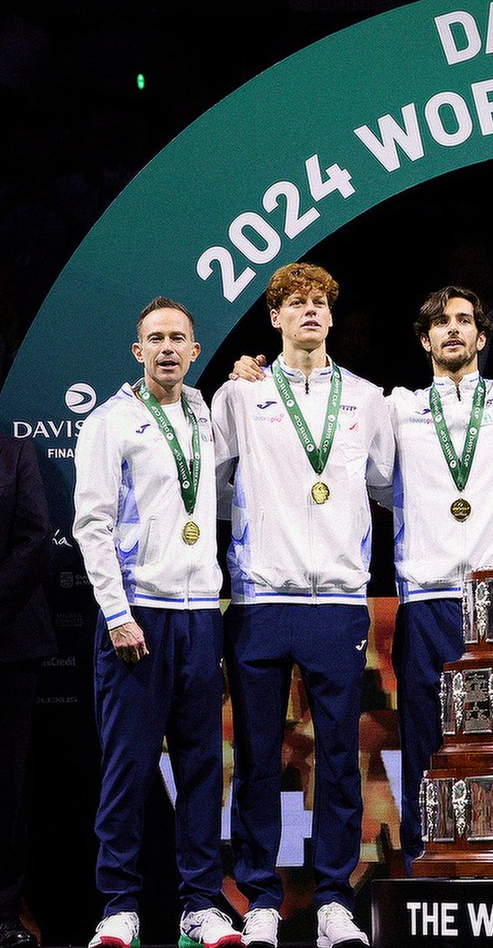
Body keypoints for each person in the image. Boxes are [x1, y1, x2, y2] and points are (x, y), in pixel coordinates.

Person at [211, 264, 393, 948]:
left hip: (339, 599)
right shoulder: (239, 395)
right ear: (275, 319)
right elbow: (210, 480)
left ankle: (334, 900)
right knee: (258, 755)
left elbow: (384, 487)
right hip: (260, 596)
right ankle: (259, 897)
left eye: (320, 302)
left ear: (332, 317)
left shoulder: (368, 399)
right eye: (296, 303)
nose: (310, 312)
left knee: (338, 756)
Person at [72, 298, 239, 948]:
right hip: (137, 618)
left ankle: (200, 903)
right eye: (155, 339)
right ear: (137, 351)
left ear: (194, 351)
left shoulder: (201, 412)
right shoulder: (110, 423)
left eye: (178, 339)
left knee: (202, 768)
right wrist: (116, 613)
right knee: (128, 768)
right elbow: (91, 524)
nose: (167, 348)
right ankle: (119, 906)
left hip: (201, 619)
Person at [385, 286, 493, 871]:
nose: (454, 331)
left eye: (465, 321)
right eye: (441, 323)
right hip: (425, 598)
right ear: (425, 340)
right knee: (427, 741)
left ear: (482, 334)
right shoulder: (395, 407)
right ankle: (428, 859)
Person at [0, 434, 54, 948]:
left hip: (9, 643)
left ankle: (4, 912)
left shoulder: (15, 451)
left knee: (7, 790)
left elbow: (35, 538)